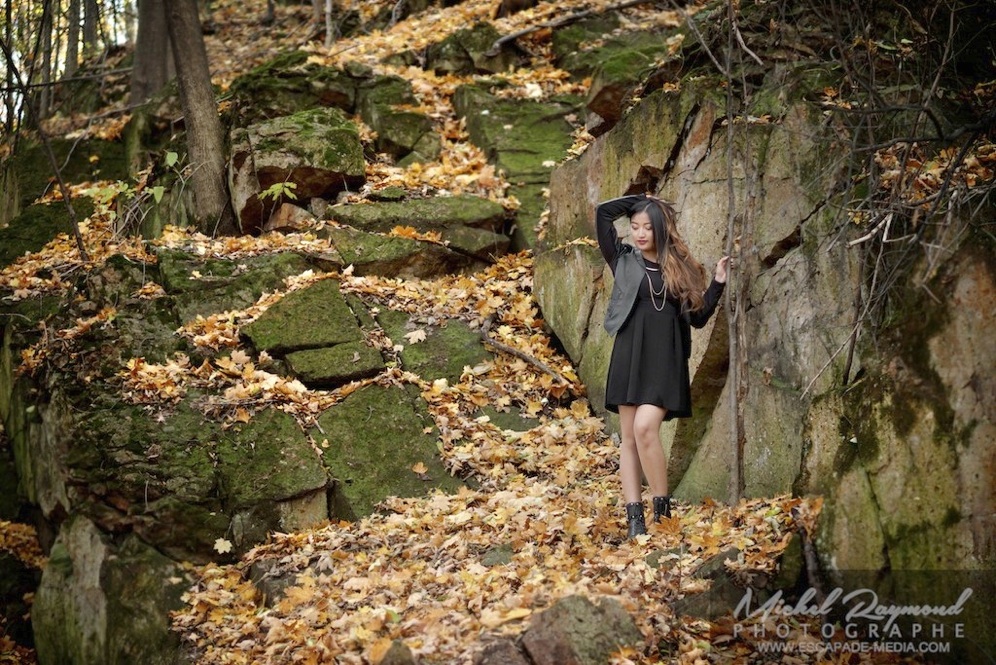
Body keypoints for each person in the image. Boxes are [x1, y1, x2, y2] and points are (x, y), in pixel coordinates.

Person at [595, 193, 729, 538]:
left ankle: (662, 510)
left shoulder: (680, 269)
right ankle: (635, 521)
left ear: (661, 230)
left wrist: (717, 283)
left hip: (665, 360)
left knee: (644, 429)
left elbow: (697, 319)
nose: (639, 234)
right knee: (628, 438)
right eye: (635, 227)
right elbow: (603, 213)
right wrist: (643, 200)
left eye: (647, 227)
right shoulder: (622, 259)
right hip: (629, 355)